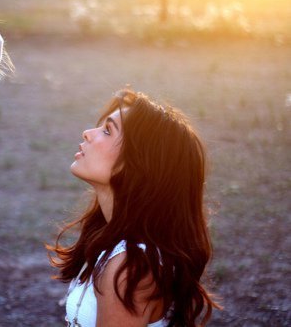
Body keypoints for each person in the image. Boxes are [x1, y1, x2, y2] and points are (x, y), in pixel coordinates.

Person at [47, 89, 220, 327]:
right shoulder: (116, 240)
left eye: (107, 131)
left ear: (139, 165)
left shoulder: (130, 266)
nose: (87, 134)